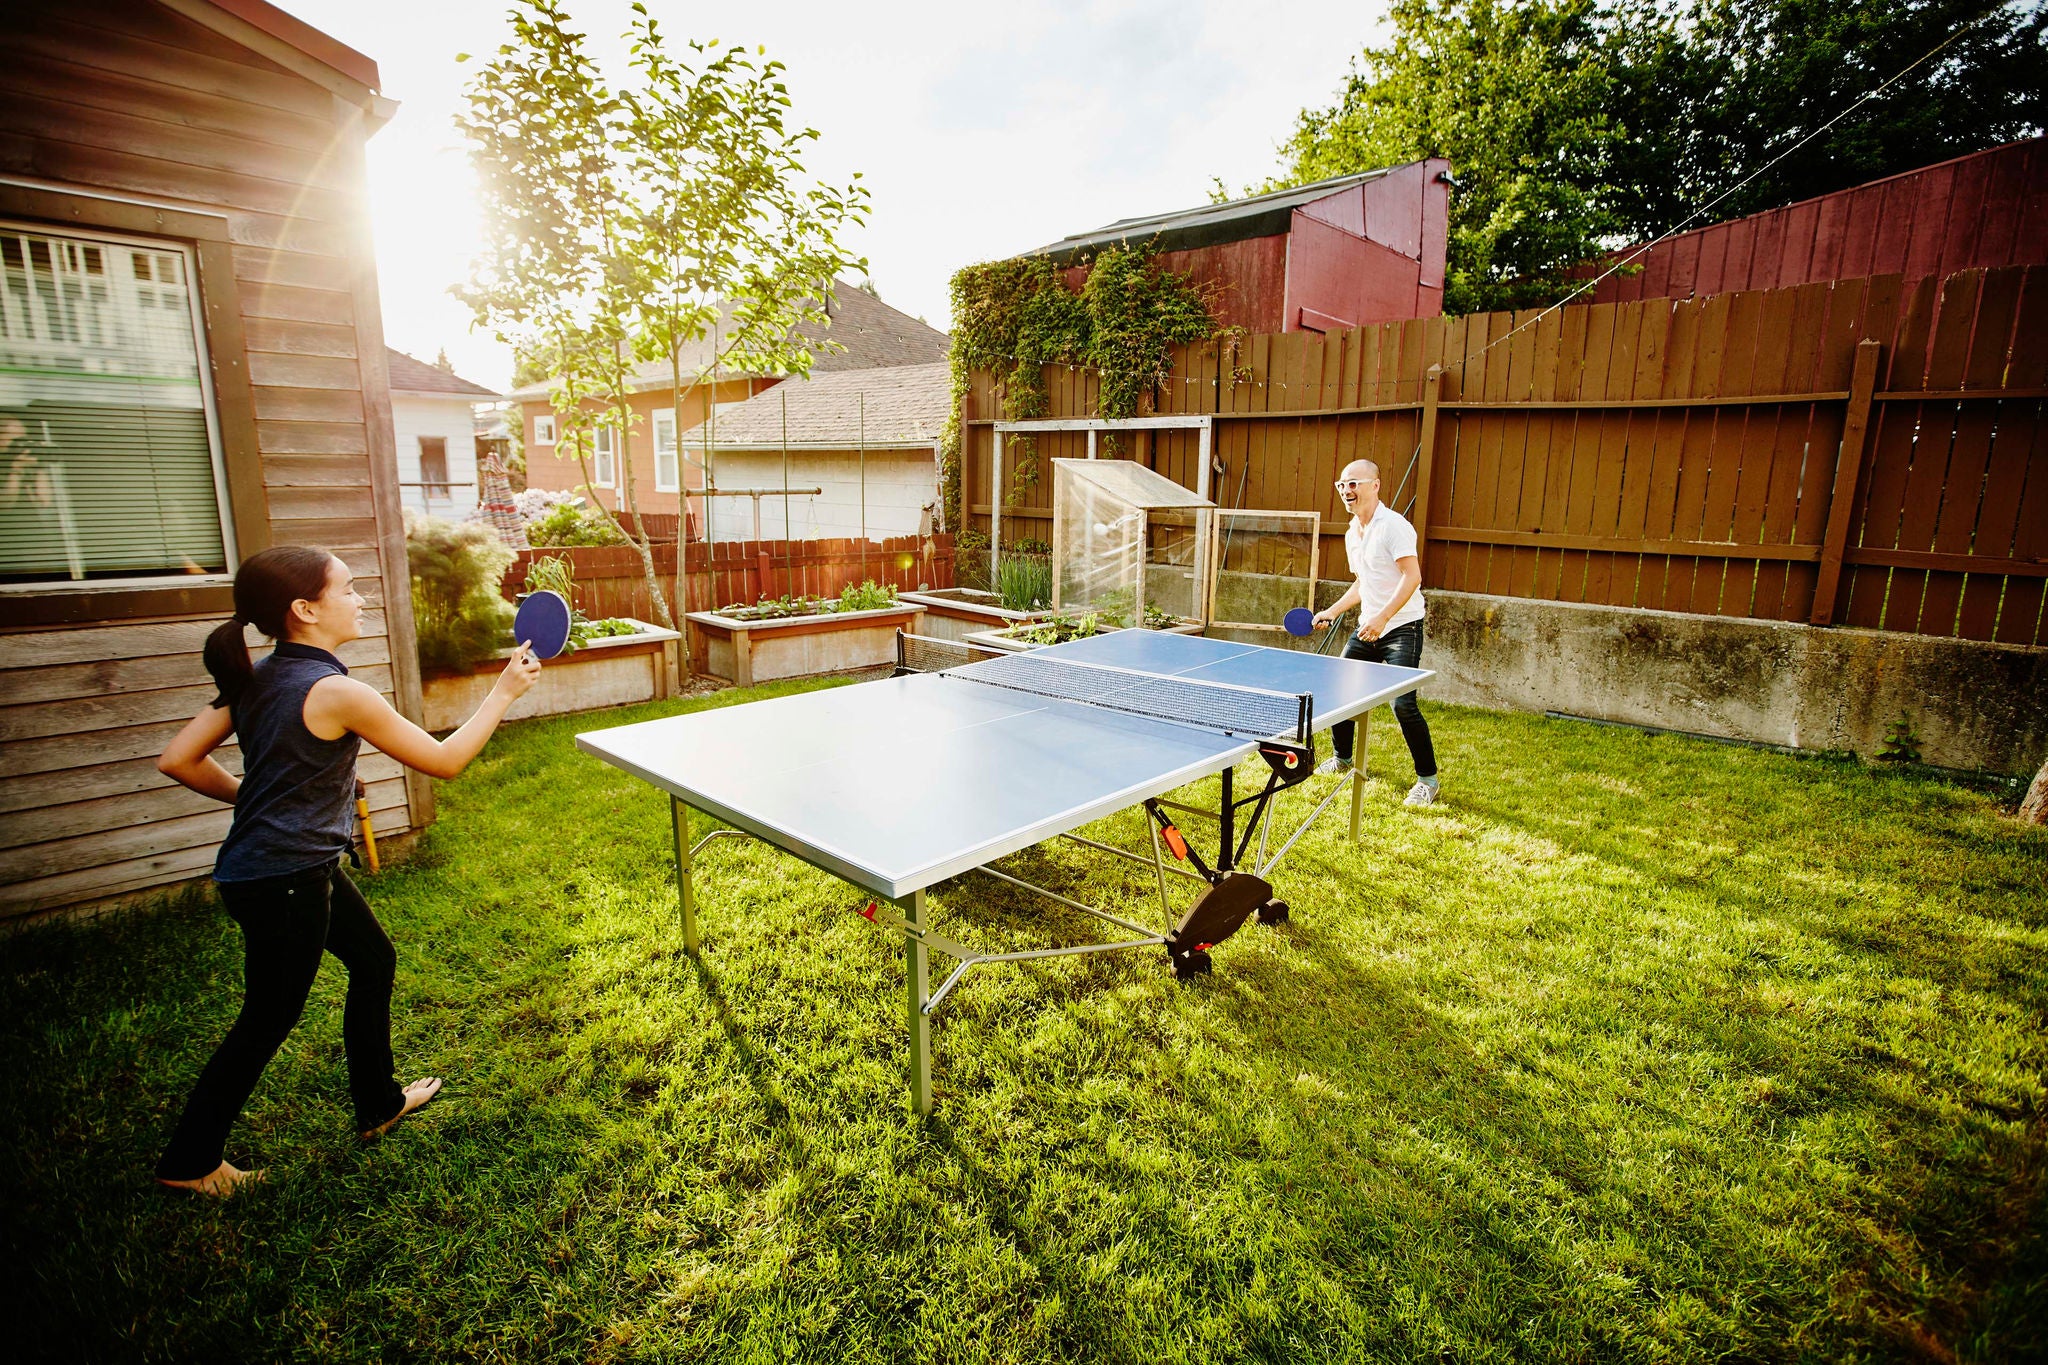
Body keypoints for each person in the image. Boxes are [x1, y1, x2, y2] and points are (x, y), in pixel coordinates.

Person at [154, 545, 540, 1195]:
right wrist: (504, 691)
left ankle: (378, 1104)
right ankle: (189, 1162)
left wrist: (263, 797)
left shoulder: (259, 676)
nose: (361, 600)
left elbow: (178, 759)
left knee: (374, 959)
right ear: (304, 609)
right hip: (283, 880)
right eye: (348, 589)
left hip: (282, 870)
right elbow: (444, 761)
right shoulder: (336, 691)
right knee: (267, 1017)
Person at [1311, 458, 1441, 807]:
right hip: (1368, 625)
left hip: (1402, 627)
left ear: (1375, 485)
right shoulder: (1352, 532)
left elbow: (1412, 577)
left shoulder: (1394, 526)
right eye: (1342, 485)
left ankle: (1427, 781)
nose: (1346, 490)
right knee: (1340, 692)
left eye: (1353, 483)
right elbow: (1362, 583)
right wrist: (1332, 611)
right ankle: (1342, 758)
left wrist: (1383, 618)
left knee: (1403, 704)